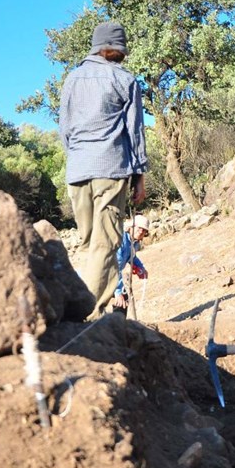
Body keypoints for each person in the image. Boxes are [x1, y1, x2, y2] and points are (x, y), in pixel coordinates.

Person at [59, 20, 149, 320]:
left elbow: (65, 129)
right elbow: (135, 133)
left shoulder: (72, 79)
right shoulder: (125, 81)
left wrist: (77, 157)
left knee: (88, 243)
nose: (124, 56)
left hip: (77, 170)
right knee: (106, 243)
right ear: (112, 49)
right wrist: (139, 176)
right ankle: (90, 315)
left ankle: (85, 307)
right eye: (121, 50)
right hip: (110, 167)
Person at [111, 214, 149, 313]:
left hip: (111, 277)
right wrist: (118, 292)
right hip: (103, 276)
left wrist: (141, 268)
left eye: (144, 230)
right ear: (131, 227)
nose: (141, 231)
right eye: (139, 228)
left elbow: (132, 257)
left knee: (123, 303)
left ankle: (117, 327)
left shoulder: (134, 243)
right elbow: (115, 267)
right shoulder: (121, 240)